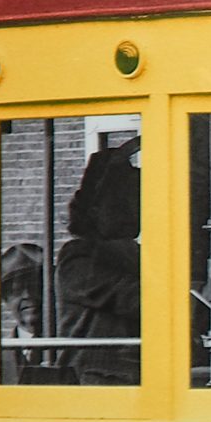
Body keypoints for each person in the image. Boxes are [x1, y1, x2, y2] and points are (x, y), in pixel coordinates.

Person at [57, 139, 143, 384]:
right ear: (94, 210)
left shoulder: (133, 253)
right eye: (122, 204)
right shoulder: (78, 257)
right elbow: (133, 297)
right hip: (96, 379)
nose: (133, 212)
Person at [0, 242, 45, 384]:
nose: (27, 294)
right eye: (17, 289)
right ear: (5, 299)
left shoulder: (70, 346)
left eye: (35, 286)